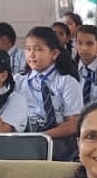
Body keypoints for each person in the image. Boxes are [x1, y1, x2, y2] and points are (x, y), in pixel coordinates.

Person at [17, 26, 85, 158]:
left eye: (38, 49)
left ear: (54, 53)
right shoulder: (18, 80)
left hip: (58, 142)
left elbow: (73, 124)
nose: (31, 55)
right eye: (28, 49)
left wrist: (42, 137)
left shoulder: (66, 82)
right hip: (25, 141)